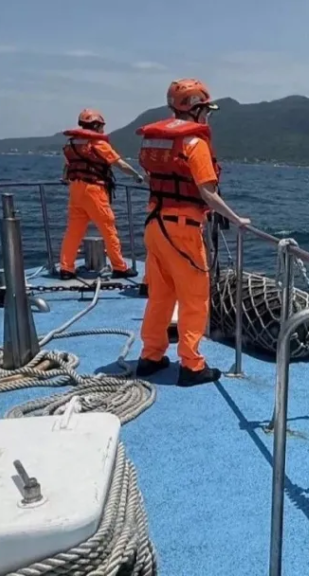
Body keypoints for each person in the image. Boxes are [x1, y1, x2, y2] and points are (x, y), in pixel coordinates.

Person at [134, 78, 252, 386]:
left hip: (154, 225)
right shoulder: (195, 144)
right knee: (195, 298)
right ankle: (191, 364)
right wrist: (237, 219)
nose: (208, 116)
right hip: (182, 230)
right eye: (206, 110)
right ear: (196, 109)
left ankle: (150, 356)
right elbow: (207, 193)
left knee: (160, 295)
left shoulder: (158, 141)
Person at [59, 108, 144, 280]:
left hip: (75, 189)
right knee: (108, 228)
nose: (103, 130)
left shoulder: (71, 143)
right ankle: (119, 267)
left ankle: (66, 268)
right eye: (101, 126)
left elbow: (67, 167)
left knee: (74, 231)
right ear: (96, 125)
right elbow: (119, 163)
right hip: (94, 191)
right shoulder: (98, 144)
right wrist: (137, 176)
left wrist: (66, 179)